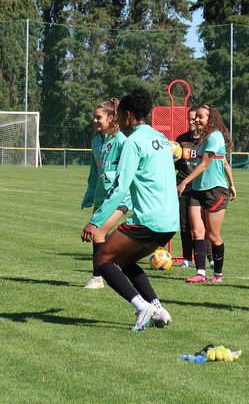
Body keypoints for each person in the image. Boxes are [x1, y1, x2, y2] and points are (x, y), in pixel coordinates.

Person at [81, 89, 178, 332]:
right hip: (170, 221)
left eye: (121, 116)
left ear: (128, 115)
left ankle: (141, 306)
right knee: (124, 261)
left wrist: (95, 220)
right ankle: (157, 307)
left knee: (102, 259)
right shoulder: (161, 139)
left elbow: (119, 186)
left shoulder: (133, 142)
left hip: (147, 219)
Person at [176, 104, 236, 283]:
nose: (196, 119)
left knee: (213, 235)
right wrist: (233, 184)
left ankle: (217, 275)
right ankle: (200, 273)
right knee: (197, 231)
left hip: (214, 191)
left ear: (211, 119)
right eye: (196, 117)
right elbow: (225, 163)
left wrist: (185, 181)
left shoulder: (215, 137)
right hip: (197, 190)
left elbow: (204, 165)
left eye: (201, 117)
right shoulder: (205, 137)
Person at [80, 98, 130, 290]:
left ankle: (98, 276)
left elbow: (126, 173)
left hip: (119, 197)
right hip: (102, 197)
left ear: (112, 118)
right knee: (103, 234)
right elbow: (94, 172)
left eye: (98, 117)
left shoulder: (122, 142)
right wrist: (90, 194)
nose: (94, 120)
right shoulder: (95, 141)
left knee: (98, 232)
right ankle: (113, 267)